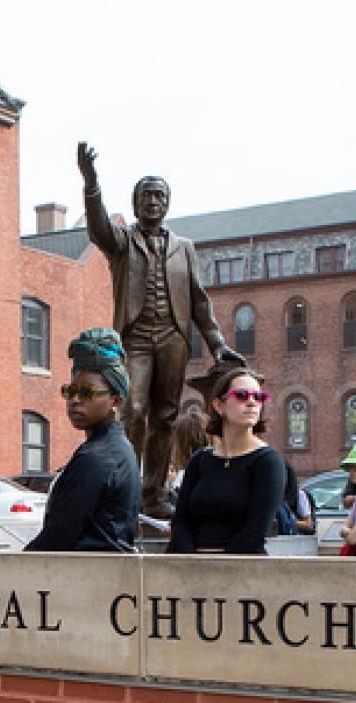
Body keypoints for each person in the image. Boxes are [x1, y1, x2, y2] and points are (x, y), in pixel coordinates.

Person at [77, 142, 242, 518]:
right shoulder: (122, 242)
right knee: (133, 410)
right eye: (146, 195)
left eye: (159, 195)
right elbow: (99, 226)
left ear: (168, 203)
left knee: (165, 416)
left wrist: (217, 345)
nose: (152, 201)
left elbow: (199, 300)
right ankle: (126, 490)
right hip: (135, 338)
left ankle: (153, 495)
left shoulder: (184, 248)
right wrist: (91, 183)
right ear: (135, 202)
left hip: (173, 337)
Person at [26, 328, 139, 552]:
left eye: (86, 393)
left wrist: (13, 569)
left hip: (87, 577)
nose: (75, 400)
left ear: (115, 400)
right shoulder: (114, 448)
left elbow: (60, 533)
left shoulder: (99, 457)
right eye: (70, 391)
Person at [168, 368, 286, 555]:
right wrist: (191, 560)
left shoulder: (268, 461)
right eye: (241, 395)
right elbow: (181, 522)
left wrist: (218, 565)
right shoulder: (200, 460)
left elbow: (255, 531)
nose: (251, 402)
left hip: (240, 569)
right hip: (190, 569)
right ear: (218, 405)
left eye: (259, 397)